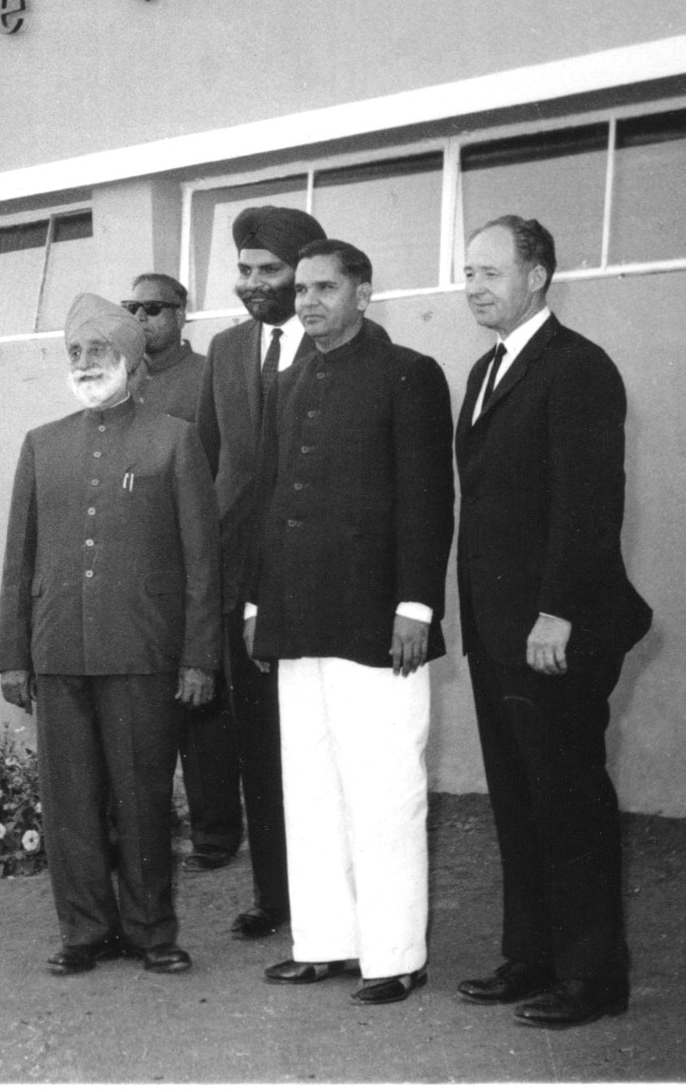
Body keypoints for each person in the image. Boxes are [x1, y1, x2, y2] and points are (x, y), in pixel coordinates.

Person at [455, 216, 652, 1028]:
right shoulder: (484, 369)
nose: (473, 287)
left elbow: (587, 506)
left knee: (566, 801)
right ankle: (530, 957)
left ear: (536, 277)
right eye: (467, 272)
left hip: (552, 631)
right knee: (516, 797)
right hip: (496, 631)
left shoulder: (577, 368)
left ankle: (591, 977)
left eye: (490, 272)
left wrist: (555, 613)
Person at [0, 293, 220, 976]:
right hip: (58, 650)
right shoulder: (42, 444)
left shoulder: (172, 438)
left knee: (141, 796)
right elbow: (18, 556)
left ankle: (152, 932)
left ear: (128, 359)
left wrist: (198, 657)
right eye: (74, 353)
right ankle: (85, 931)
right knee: (69, 802)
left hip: (142, 652)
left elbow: (201, 563)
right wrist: (12, 655)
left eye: (97, 351)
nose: (85, 364)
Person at [253, 241, 454, 1004]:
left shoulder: (409, 373)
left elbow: (427, 499)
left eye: (324, 288)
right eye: (300, 289)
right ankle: (325, 942)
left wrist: (414, 604)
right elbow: (272, 500)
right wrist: (256, 605)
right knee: (308, 789)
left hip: (376, 621)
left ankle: (395, 955)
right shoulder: (291, 378)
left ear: (362, 295)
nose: (306, 302)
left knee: (383, 789)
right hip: (298, 618)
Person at [194, 204, 325, 939]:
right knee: (260, 748)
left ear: (304, 270)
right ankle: (274, 898)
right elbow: (212, 470)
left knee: (318, 750)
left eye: (268, 272)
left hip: (315, 582)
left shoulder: (342, 344)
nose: (252, 284)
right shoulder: (226, 348)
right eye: (242, 271)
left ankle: (330, 899)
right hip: (245, 588)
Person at [126, 272, 242, 874]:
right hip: (141, 570)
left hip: (196, 558)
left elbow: (227, 465)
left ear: (181, 313)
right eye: (133, 308)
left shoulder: (207, 376)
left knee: (203, 702)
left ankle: (217, 835)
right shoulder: (124, 379)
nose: (143, 318)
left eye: (155, 308)